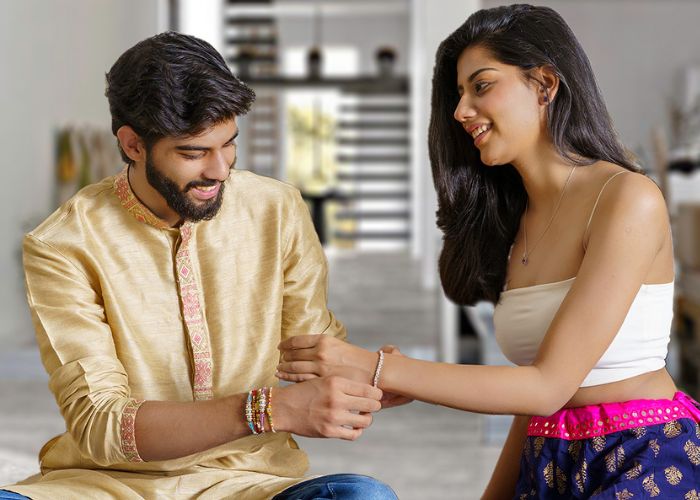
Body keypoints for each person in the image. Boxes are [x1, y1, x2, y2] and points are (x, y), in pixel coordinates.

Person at [276, 4, 700, 498]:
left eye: (481, 85)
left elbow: (548, 386)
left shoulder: (627, 199)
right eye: (458, 94)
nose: (460, 111)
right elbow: (534, 403)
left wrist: (375, 367)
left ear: (545, 84)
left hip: (643, 456)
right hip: (548, 458)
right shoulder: (516, 223)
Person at [0, 32, 398, 500]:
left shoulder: (276, 208)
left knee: (363, 497)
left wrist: (364, 379)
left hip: (252, 484)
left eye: (229, 144)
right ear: (132, 144)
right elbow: (101, 425)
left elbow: (309, 354)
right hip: (101, 487)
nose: (220, 170)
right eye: (193, 153)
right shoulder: (64, 243)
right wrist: (264, 410)